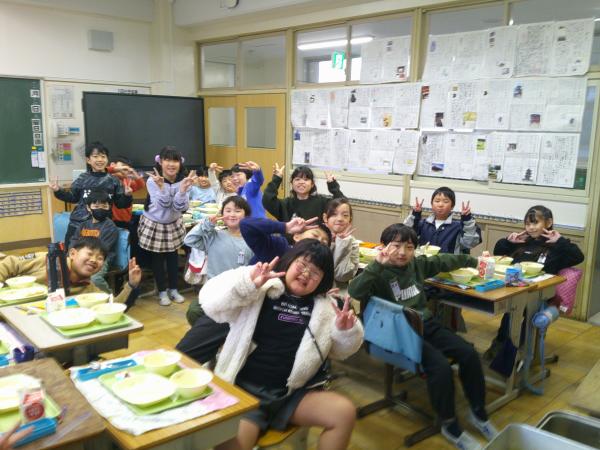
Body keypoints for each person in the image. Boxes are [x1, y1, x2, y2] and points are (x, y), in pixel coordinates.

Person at [201, 241, 363, 450]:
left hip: (293, 394)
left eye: (315, 272)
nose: (306, 274)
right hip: (246, 392)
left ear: (323, 280)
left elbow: (342, 352)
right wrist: (247, 284)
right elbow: (211, 303)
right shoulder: (262, 288)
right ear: (289, 261)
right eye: (302, 265)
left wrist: (344, 331)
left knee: (344, 413)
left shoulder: (327, 307)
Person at [348, 224, 497, 449]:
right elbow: (355, 292)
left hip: (425, 324)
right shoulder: (377, 271)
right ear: (383, 246)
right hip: (397, 331)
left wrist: (475, 261)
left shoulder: (416, 265)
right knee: (441, 367)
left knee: (468, 353)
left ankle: (478, 412)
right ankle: (449, 424)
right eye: (396, 246)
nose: (402, 252)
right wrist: (376, 264)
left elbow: (444, 260)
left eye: (409, 247)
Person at [176, 215, 331, 364]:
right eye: (315, 236)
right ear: (297, 236)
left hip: (274, 317)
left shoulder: (319, 270)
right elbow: (247, 225)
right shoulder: (279, 247)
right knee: (206, 319)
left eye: (325, 242)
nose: (318, 242)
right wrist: (284, 226)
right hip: (245, 300)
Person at [484, 205, 584, 360]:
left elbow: (578, 257)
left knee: (525, 314)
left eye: (535, 223)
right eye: (527, 224)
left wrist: (560, 241)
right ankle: (502, 344)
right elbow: (498, 253)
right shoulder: (523, 242)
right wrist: (509, 242)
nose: (530, 227)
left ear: (548, 222)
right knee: (510, 313)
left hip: (541, 294)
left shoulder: (557, 246)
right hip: (516, 290)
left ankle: (520, 351)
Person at [0, 237, 141, 305]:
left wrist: (132, 284)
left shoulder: (89, 288)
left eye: (100, 258)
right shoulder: (48, 259)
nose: (94, 260)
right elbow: (10, 263)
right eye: (90, 254)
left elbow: (112, 307)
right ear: (72, 253)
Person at [139, 146, 197, 306]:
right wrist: (162, 187)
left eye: (175, 161)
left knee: (173, 257)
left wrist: (183, 190)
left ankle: (174, 289)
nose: (171, 164)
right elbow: (163, 205)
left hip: (173, 223)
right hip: (155, 222)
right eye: (167, 160)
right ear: (160, 162)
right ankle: (162, 292)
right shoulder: (152, 180)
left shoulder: (184, 180)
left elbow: (180, 207)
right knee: (157, 259)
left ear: (180, 163)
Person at [183, 196, 254, 325]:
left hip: (238, 292)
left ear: (246, 215)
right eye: (228, 211)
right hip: (214, 290)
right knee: (194, 311)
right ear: (221, 215)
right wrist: (206, 224)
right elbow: (189, 240)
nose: (232, 214)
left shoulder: (251, 241)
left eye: (237, 211)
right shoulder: (214, 235)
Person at [50, 142, 133, 247]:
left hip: (102, 226)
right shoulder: (83, 178)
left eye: (103, 156)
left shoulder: (113, 180)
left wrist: (127, 195)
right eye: (95, 156)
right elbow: (72, 197)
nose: (100, 160)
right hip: (78, 224)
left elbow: (121, 204)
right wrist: (58, 190)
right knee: (72, 252)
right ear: (88, 160)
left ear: (107, 159)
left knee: (99, 253)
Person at [404, 187, 481, 254]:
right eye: (437, 201)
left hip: (448, 264)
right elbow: (405, 234)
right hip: (425, 263)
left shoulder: (457, 226)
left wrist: (467, 219)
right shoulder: (423, 224)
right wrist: (415, 214)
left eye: (445, 201)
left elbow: (470, 242)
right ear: (432, 205)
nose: (440, 205)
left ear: (452, 206)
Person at [69, 189, 119, 293]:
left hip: (102, 259)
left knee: (95, 278)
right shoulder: (83, 225)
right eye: (96, 206)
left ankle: (108, 297)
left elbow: (102, 250)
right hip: (82, 256)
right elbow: (74, 241)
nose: (100, 209)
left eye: (104, 206)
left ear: (109, 207)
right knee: (64, 269)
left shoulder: (110, 226)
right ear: (88, 208)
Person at [262, 164, 346, 222]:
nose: (301, 182)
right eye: (297, 179)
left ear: (312, 184)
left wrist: (332, 184)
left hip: (315, 241)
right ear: (292, 183)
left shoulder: (322, 202)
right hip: (291, 242)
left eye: (306, 179)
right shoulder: (285, 204)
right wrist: (276, 179)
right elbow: (267, 201)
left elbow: (342, 203)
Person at [322, 198, 359, 293]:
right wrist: (331, 243)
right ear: (325, 218)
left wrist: (342, 243)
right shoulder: (317, 236)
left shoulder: (352, 242)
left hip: (339, 292)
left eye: (345, 215)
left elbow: (342, 276)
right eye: (334, 214)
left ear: (350, 219)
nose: (339, 219)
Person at [107, 156, 146, 229]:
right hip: (110, 220)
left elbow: (141, 185)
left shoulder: (127, 181)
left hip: (125, 220)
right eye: (122, 167)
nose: (124, 170)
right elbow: (102, 171)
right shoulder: (105, 179)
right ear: (112, 165)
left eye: (126, 169)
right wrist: (115, 170)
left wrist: (134, 173)